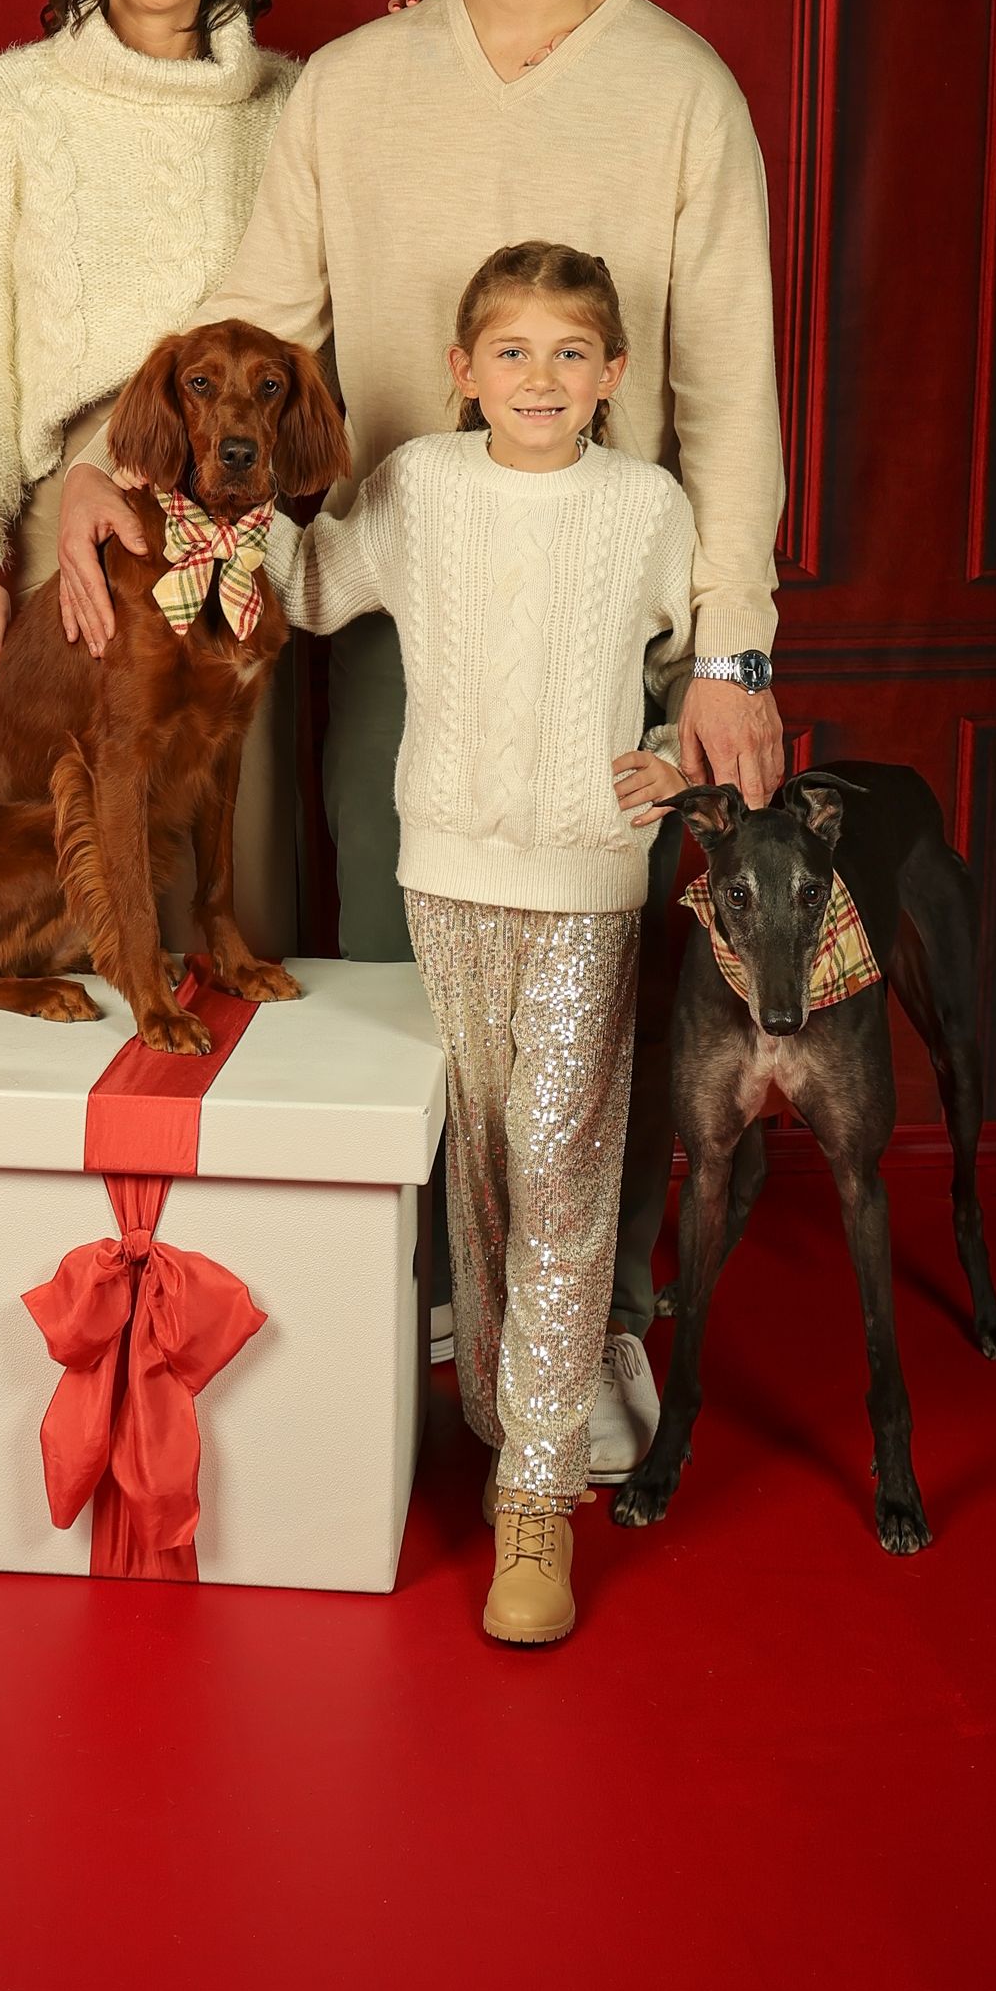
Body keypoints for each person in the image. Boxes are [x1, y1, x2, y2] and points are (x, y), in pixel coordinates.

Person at [58, 0, 787, 1457]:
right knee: (407, 982)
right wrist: (96, 457)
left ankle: (591, 1321)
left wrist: (735, 655)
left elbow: (733, 394)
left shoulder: (684, 90)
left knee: (588, 1011)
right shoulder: (364, 89)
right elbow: (256, 305)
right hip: (398, 607)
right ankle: (427, 1313)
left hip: (613, 625)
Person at [262, 241, 692, 1644]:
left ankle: (535, 1502)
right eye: (511, 353)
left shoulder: (648, 508)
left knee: (565, 1158)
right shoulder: (420, 488)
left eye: (572, 354)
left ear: (613, 374)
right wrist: (230, 492)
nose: (541, 379)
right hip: (444, 870)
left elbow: (702, 664)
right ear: (463, 372)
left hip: (586, 879)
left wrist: (681, 751)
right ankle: (503, 1408)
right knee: (486, 1165)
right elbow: (312, 587)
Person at [0, 0, 301, 950]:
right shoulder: (6, 108)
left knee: (236, 878)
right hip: (76, 541)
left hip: (237, 533)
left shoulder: (290, 107)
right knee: (81, 888)